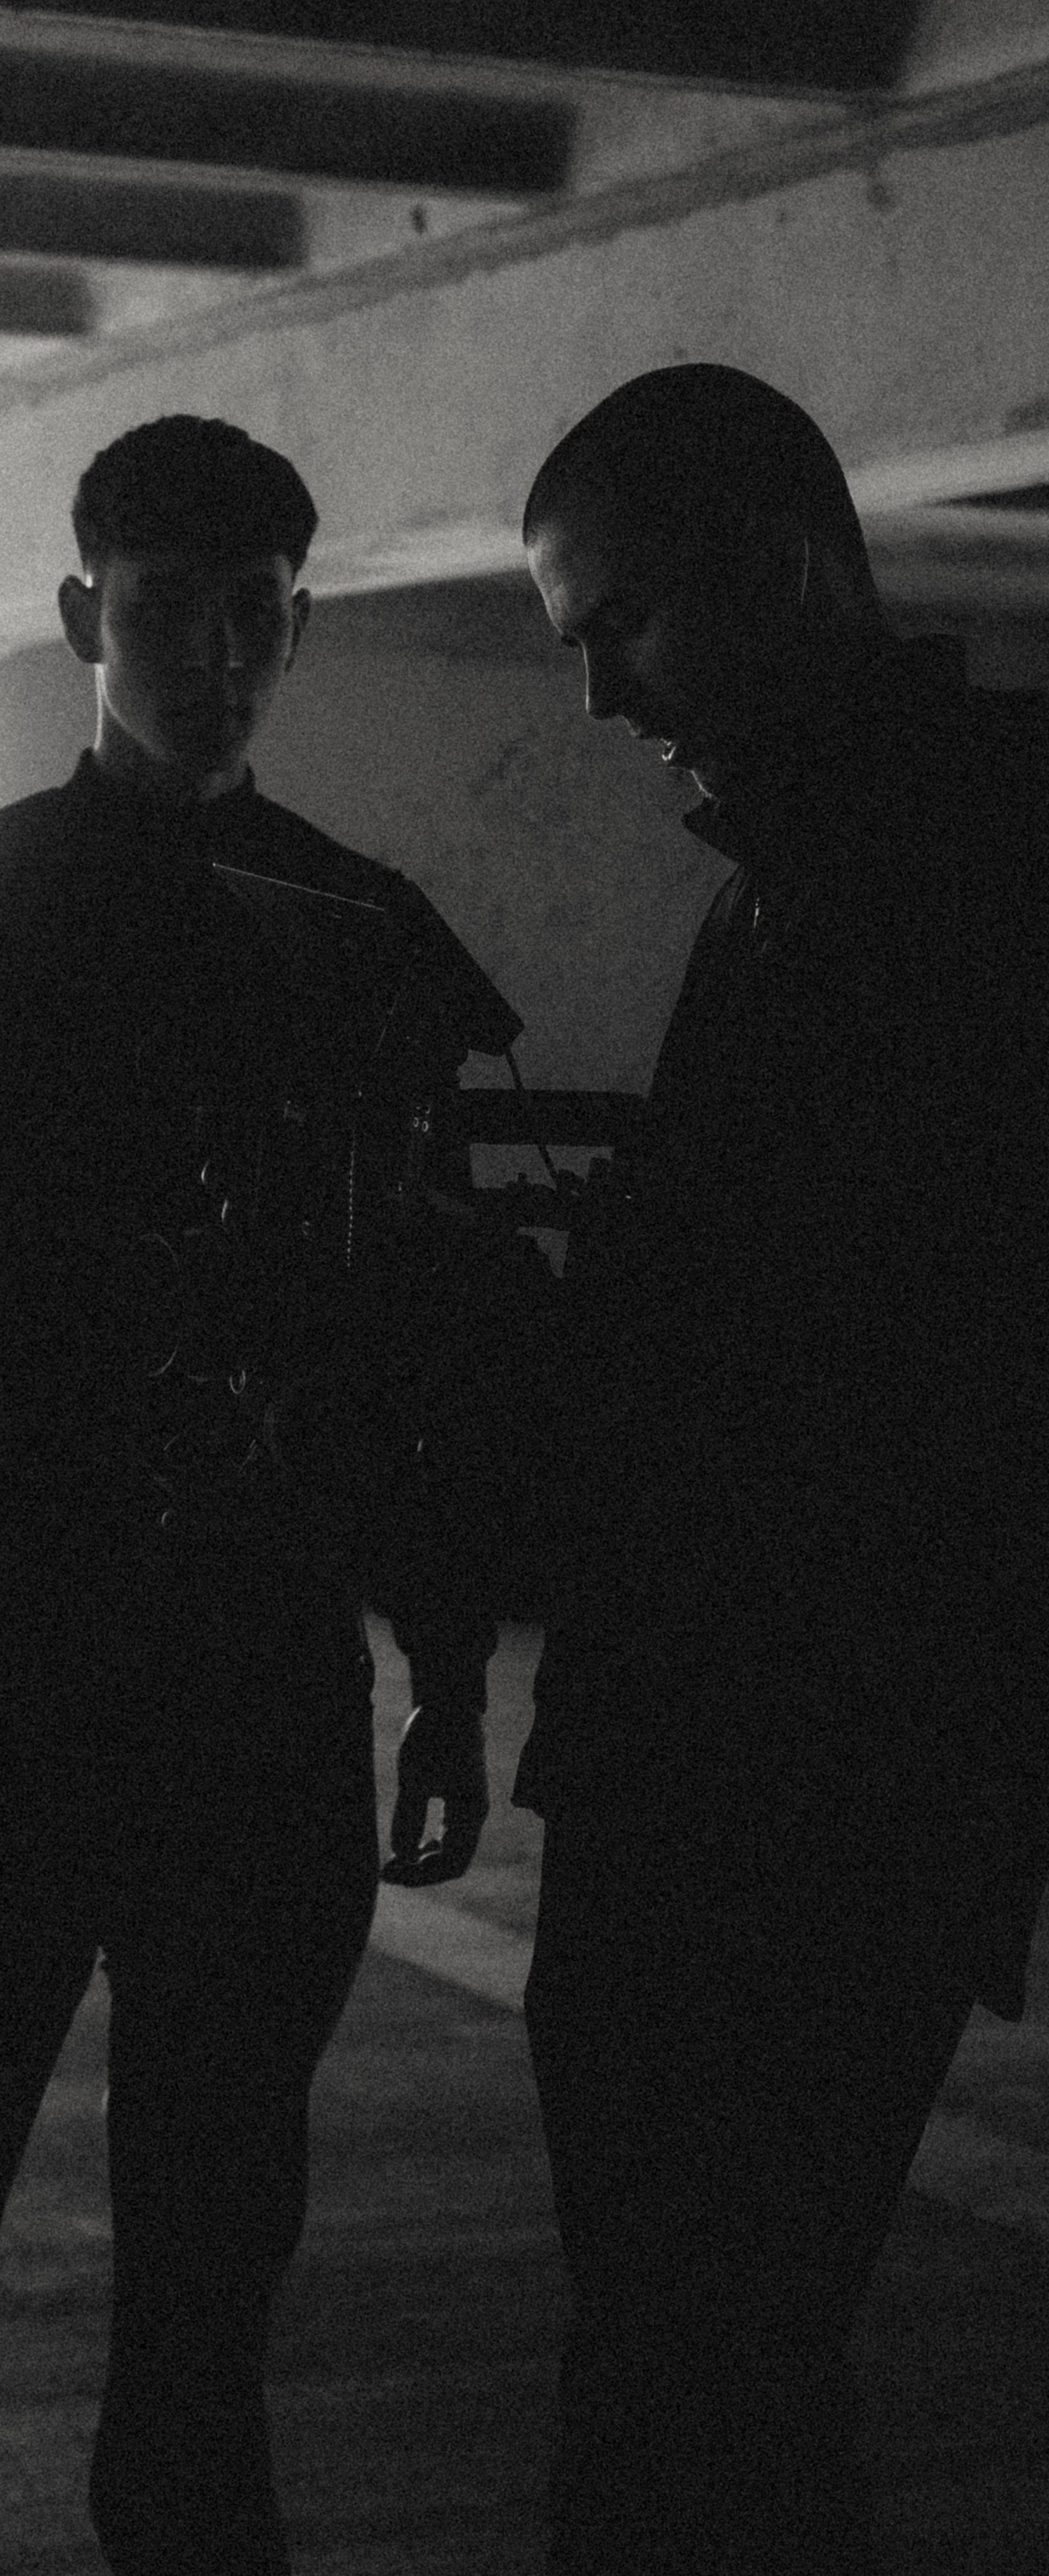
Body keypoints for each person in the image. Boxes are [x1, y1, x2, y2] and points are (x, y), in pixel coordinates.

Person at [0, 414, 525, 2576]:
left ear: (300, 621)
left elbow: (428, 1354)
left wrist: (446, 1670)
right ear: (88, 619)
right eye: (173, 608)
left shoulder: (367, 937)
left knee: (217, 2224)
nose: (220, 650)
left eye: (260, 611)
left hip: (253, 1683)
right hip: (6, 1667)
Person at [513, 363, 1049, 2575]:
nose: (598, 689)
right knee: (717, 2363)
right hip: (779, 1761)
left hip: (798, 1770)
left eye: (616, 621)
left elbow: (879, 1349)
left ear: (781, 570)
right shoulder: (859, 851)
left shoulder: (922, 872)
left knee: (700, 2362)